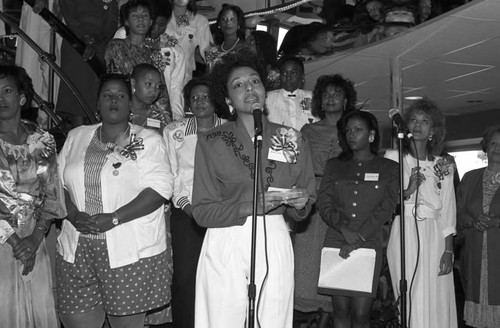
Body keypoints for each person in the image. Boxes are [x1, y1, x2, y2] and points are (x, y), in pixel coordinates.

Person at [191, 50, 316, 327]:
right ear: (227, 100)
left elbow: (305, 203)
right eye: (238, 85)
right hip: (226, 240)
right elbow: (201, 212)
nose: (249, 88)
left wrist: (300, 204)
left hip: (274, 238)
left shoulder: (293, 138)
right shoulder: (211, 141)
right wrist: (250, 207)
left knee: (272, 320)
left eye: (255, 81)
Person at [56, 74, 174, 328]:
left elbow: (161, 188)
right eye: (107, 95)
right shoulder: (77, 136)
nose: (113, 100)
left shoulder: (149, 140)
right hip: (77, 249)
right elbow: (57, 183)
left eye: (121, 95)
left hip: (127, 250)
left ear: (130, 104)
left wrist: (114, 217)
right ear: (97, 103)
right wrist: (73, 215)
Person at [316, 110, 398, 328]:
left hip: (369, 242)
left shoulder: (389, 168)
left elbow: (386, 208)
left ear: (371, 135)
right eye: (349, 130)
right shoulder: (334, 165)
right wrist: (345, 229)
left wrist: (358, 237)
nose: (352, 135)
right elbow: (324, 203)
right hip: (337, 239)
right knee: (340, 312)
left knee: (362, 314)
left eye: (358, 130)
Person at [0, 65, 66, 328]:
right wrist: (16, 242)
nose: (1, 98)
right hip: (5, 238)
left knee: (38, 310)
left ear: (22, 97)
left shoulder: (42, 140)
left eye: (7, 90)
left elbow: (51, 194)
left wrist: (35, 238)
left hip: (35, 240)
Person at [385, 97, 457, 328]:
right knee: (409, 292)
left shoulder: (444, 164)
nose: (417, 125)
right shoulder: (394, 158)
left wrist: (448, 250)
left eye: (424, 121)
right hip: (404, 229)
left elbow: (448, 209)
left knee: (436, 293)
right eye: (413, 120)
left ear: (433, 131)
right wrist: (407, 191)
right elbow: (383, 204)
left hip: (435, 234)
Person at [293, 74, 358, 325]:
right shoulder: (308, 130)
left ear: (346, 99)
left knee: (339, 262)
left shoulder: (355, 128)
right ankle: (317, 315)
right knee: (309, 261)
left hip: (345, 200)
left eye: (336, 94)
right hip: (314, 199)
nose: (331, 98)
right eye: (326, 94)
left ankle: (330, 316)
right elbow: (298, 167)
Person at [163, 77, 228, 328]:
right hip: (187, 213)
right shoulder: (174, 132)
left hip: (223, 215)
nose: (200, 102)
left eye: (205, 96)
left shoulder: (230, 130)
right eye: (194, 97)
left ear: (216, 100)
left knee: (220, 276)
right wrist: (189, 208)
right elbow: (171, 174)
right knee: (185, 278)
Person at [110, 0, 186, 121]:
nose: (155, 29)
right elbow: (117, 83)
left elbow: (169, 90)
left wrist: (172, 119)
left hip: (153, 114)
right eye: (135, 16)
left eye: (161, 25)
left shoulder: (162, 51)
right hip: (125, 112)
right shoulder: (119, 42)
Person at [457, 125, 500, 328]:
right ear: (485, 147)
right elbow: (458, 211)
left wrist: (496, 222)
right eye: (493, 143)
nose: (497, 148)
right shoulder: (470, 177)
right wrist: (474, 222)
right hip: (474, 251)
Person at [57, 0, 121, 127]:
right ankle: (79, 139)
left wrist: (99, 38)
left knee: (97, 93)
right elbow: (69, 14)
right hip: (75, 42)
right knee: (78, 93)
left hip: (101, 44)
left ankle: (98, 138)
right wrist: (84, 38)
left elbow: (112, 19)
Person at [164, 0, 213, 83]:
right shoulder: (162, 18)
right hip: (163, 72)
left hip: (185, 76)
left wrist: (210, 75)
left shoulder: (200, 21)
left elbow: (207, 50)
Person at [266, 56, 318, 130]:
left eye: (293, 73)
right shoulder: (268, 98)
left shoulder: (313, 97)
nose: (288, 78)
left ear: (302, 77)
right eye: (284, 73)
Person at [130, 63, 171, 133]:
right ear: (133, 83)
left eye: (158, 86)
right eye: (149, 84)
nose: (154, 91)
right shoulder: (120, 112)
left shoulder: (160, 115)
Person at [205, 4, 246, 71]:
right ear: (219, 24)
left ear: (238, 24)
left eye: (232, 19)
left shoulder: (244, 48)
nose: (228, 23)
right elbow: (208, 76)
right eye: (224, 19)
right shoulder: (213, 51)